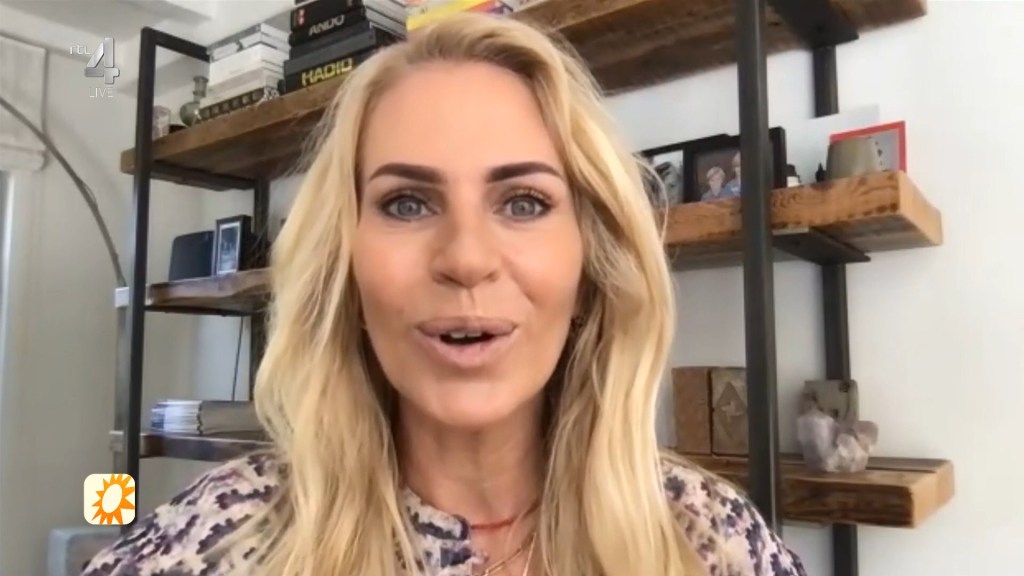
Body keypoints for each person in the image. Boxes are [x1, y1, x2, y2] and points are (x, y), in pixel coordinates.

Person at [82, 12, 806, 576]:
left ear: (591, 269)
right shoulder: (218, 538)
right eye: (406, 203)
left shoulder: (711, 538)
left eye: (523, 202)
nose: (465, 258)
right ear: (346, 270)